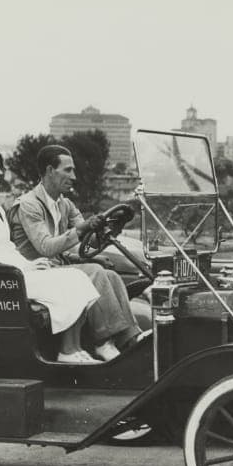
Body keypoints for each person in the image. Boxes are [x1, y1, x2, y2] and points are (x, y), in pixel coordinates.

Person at [0, 141, 102, 364]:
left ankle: (74, 348)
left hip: (14, 271)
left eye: (0, 167)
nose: (0, 173)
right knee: (72, 280)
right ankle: (68, 351)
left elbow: (7, 247)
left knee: (77, 277)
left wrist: (31, 264)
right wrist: (23, 268)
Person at [10, 145, 144, 362]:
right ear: (50, 170)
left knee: (110, 274)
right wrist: (82, 230)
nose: (74, 177)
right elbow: (46, 246)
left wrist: (107, 229)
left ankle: (130, 338)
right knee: (95, 272)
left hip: (57, 268)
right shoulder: (29, 205)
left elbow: (86, 240)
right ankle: (103, 342)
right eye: (68, 170)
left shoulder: (65, 204)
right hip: (37, 271)